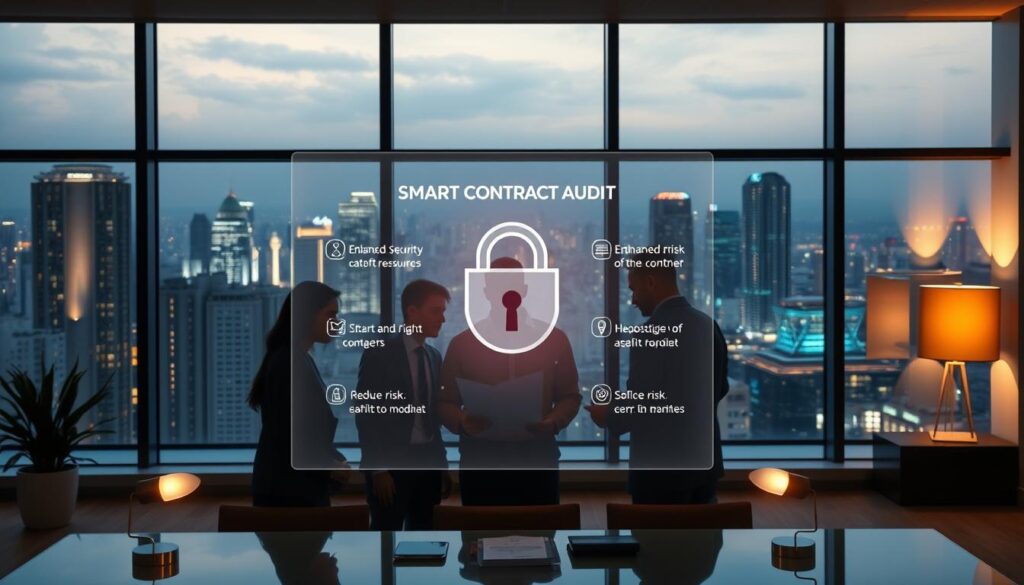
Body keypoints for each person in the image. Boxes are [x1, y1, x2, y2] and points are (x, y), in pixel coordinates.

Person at [587, 252, 729, 504]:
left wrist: (606, 415)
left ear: (651, 282)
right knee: (702, 529)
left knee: (656, 530)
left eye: (634, 290)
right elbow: (721, 388)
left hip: (660, 475)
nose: (632, 300)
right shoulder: (709, 326)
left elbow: (642, 404)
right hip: (704, 468)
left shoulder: (649, 335)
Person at [439, 257, 581, 505]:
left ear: (524, 290)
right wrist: (462, 421)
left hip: (537, 460)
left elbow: (570, 396)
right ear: (486, 292)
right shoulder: (462, 344)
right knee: (480, 528)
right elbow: (444, 402)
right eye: (499, 286)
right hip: (481, 463)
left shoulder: (554, 340)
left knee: (540, 527)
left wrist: (554, 421)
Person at [355, 279, 452, 530]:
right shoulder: (379, 354)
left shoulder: (433, 356)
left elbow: (433, 420)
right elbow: (366, 414)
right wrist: (378, 470)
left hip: (427, 465)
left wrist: (442, 466)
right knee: (386, 535)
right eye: (436, 311)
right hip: (391, 468)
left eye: (443, 312)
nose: (442, 319)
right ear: (412, 311)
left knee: (426, 537)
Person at [249, 281, 349, 507]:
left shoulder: (295, 359)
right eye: (330, 314)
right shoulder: (289, 364)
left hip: (292, 487)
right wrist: (330, 465)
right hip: (289, 493)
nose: (337, 322)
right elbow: (290, 437)